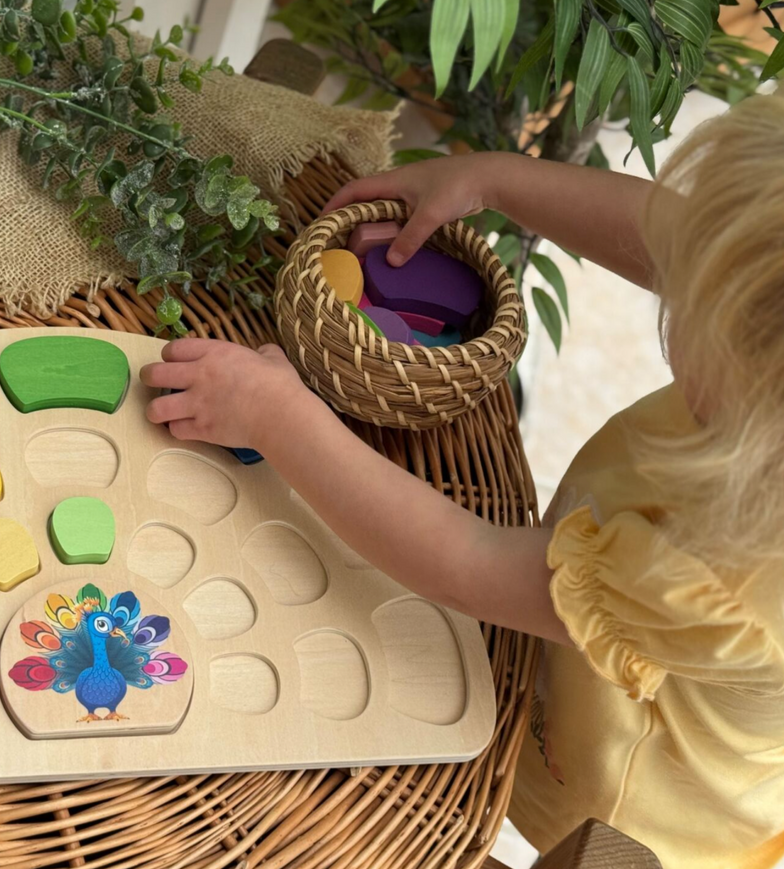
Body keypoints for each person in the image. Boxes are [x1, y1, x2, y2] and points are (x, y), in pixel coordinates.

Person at [139, 94, 784, 869]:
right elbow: (670, 230)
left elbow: (470, 562)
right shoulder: (760, 373)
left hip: (615, 786)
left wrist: (280, 418)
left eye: (696, 299)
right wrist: (497, 180)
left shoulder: (722, 579)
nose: (676, 272)